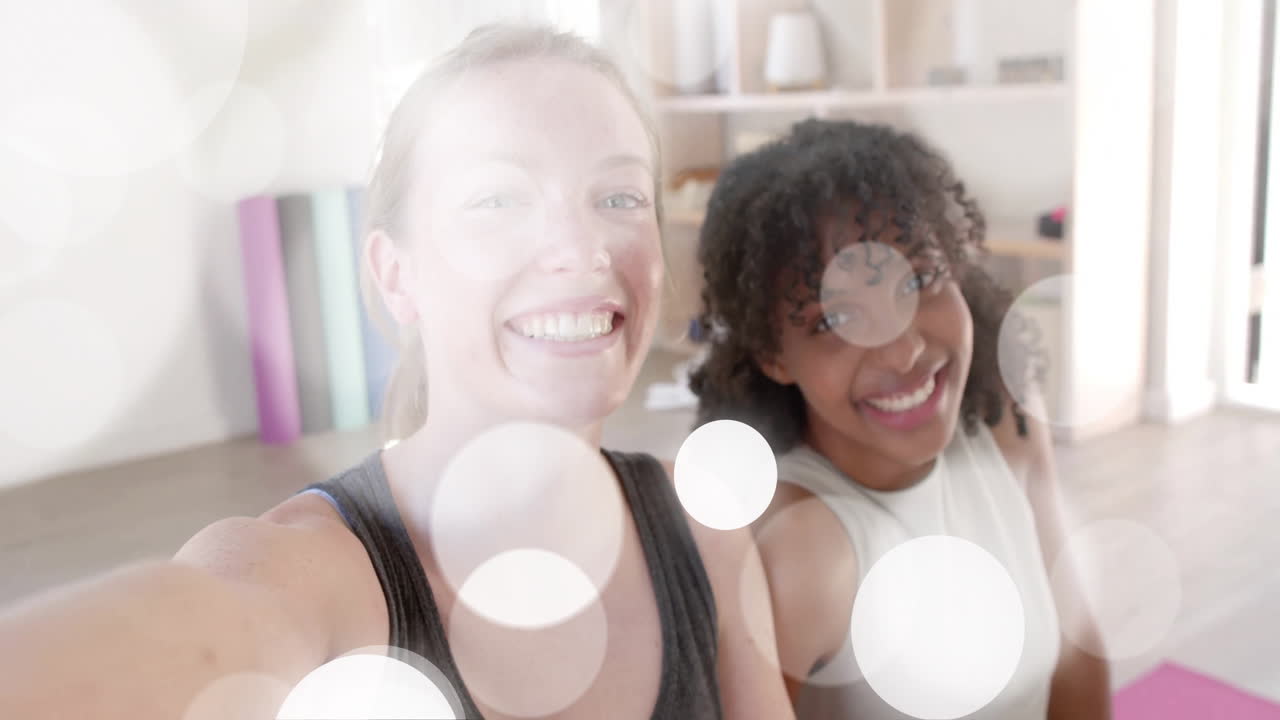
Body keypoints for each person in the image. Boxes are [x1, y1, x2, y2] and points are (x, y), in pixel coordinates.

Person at [0, 25, 792, 720]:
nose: (582, 247)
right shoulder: (313, 572)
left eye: (618, 195)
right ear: (396, 273)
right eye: (499, 198)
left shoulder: (705, 531)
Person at [688, 118, 1111, 718]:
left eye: (919, 280)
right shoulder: (802, 552)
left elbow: (1078, 651)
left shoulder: (1006, 422)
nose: (902, 350)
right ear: (774, 356)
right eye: (836, 320)